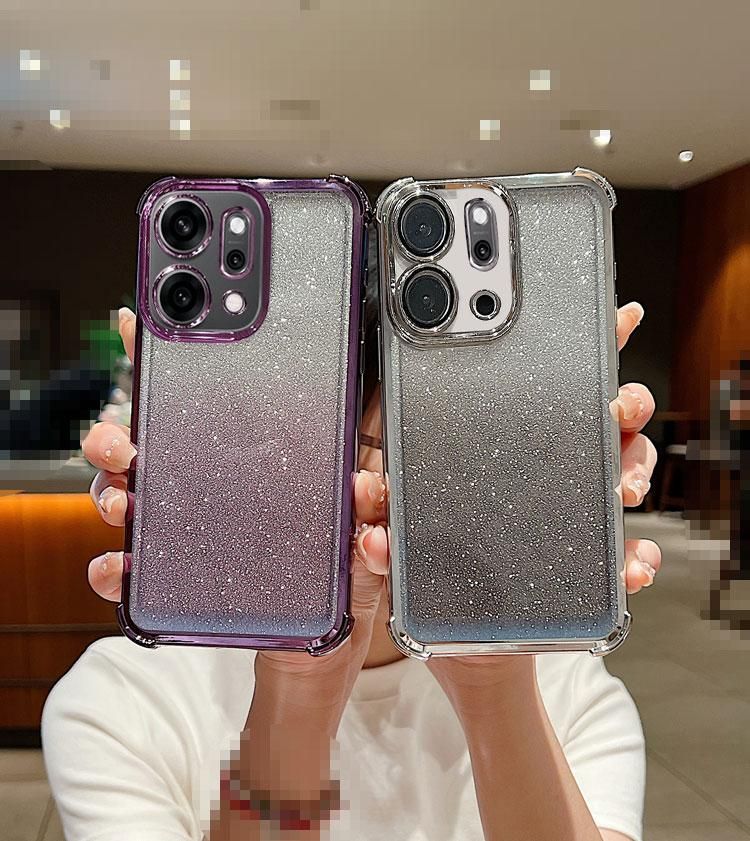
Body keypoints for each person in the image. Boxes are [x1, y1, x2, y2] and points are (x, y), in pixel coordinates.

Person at [42, 300, 660, 841]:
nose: (425, 480)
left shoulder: (568, 693)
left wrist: (493, 684)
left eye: (453, 439)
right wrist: (301, 681)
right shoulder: (123, 701)